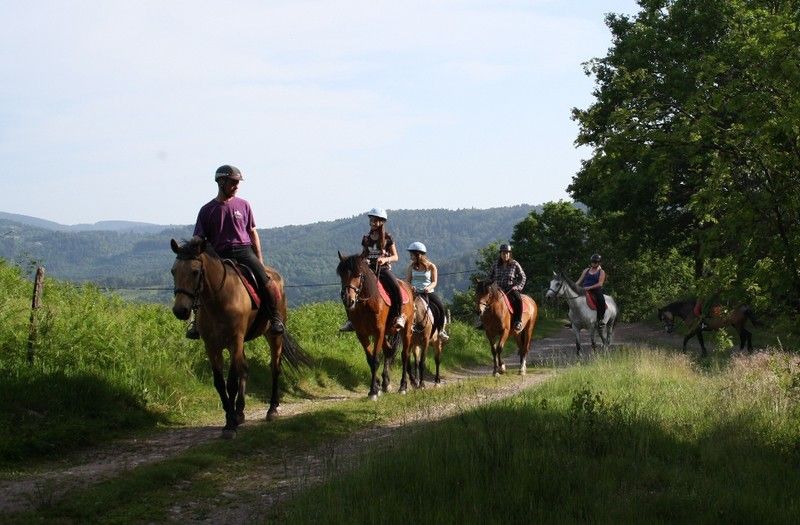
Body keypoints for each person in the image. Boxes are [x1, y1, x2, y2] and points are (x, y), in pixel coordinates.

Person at [186, 164, 284, 339]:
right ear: (221, 182)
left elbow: (252, 232)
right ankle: (195, 323)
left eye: (237, 182)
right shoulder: (207, 210)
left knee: (266, 281)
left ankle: (275, 317)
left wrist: (259, 259)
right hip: (218, 255)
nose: (236, 186)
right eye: (232, 182)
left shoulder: (244, 205)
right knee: (200, 283)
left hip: (243, 251)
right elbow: (199, 236)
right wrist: (192, 244)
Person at [339, 208, 405, 332]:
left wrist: (385, 260)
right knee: (347, 290)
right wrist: (360, 260)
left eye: (375, 220)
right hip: (368, 270)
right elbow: (364, 253)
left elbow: (396, 256)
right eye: (371, 220)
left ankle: (400, 315)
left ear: (381, 222)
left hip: (383, 269)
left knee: (395, 286)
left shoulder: (387, 237)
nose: (372, 222)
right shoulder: (366, 238)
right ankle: (351, 320)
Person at [405, 241, 448, 341]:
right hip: (414, 293)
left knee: (440, 307)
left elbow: (434, 281)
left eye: (412, 254)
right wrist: (411, 287)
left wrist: (428, 288)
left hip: (427, 293)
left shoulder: (431, 266)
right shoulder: (411, 267)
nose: (410, 256)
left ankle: (441, 330)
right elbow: (407, 281)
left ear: (418, 254)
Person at [486, 243, 526, 333]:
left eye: (507, 253)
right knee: (485, 300)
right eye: (503, 253)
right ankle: (483, 322)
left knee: (518, 300)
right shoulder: (495, 264)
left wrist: (518, 287)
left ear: (510, 254)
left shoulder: (515, 264)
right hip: (497, 289)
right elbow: (489, 277)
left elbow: (523, 277)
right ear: (500, 254)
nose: (505, 255)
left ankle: (518, 321)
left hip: (510, 289)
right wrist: (491, 285)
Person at [577, 253, 607, 329]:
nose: (593, 263)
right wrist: (573, 286)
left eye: (595, 262)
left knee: (601, 300)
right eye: (592, 262)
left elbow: (600, 284)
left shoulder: (601, 272)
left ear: (599, 263)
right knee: (573, 299)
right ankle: (573, 320)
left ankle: (600, 320)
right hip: (583, 289)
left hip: (595, 290)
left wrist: (589, 287)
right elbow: (579, 281)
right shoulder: (586, 270)